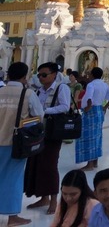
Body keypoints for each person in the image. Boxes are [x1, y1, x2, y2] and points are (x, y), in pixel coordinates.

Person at [0, 62, 45, 227]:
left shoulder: (0, 91)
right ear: (24, 76)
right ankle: (12, 218)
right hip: (15, 142)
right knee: (13, 178)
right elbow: (39, 116)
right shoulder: (27, 94)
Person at [24, 62, 71, 215]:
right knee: (37, 163)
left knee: (50, 165)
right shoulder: (39, 90)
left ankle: (53, 200)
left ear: (54, 74)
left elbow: (65, 106)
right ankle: (43, 197)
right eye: (40, 75)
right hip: (39, 131)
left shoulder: (61, 88)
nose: (41, 78)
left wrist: (45, 111)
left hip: (53, 132)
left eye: (44, 74)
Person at [75, 67, 109, 171]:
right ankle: (95, 162)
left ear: (92, 75)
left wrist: (88, 107)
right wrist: (105, 107)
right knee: (97, 136)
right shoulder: (103, 84)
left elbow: (89, 97)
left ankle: (89, 164)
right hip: (99, 111)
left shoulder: (91, 84)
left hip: (91, 112)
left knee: (89, 137)